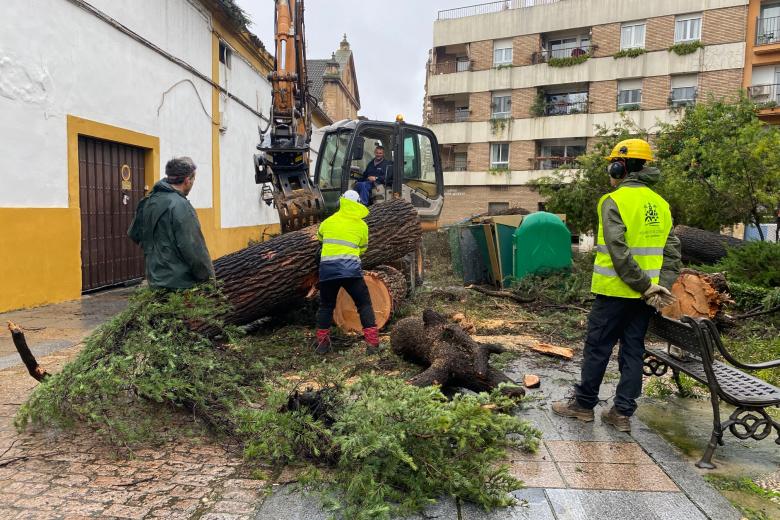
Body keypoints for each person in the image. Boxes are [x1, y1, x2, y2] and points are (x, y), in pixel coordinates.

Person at [552, 139, 681, 432]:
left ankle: (584, 406)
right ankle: (622, 413)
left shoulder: (613, 201)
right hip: (645, 298)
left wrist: (645, 285)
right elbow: (673, 251)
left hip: (614, 293)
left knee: (598, 348)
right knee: (633, 350)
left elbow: (618, 251)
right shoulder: (661, 204)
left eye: (612, 166)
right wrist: (659, 288)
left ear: (619, 166)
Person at [128, 157, 214, 290]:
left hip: (154, 280)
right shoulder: (181, 206)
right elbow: (194, 250)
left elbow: (134, 234)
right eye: (193, 180)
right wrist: (210, 281)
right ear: (187, 180)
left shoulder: (148, 201)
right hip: (180, 285)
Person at [314, 190, 379, 355]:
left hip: (327, 271)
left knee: (326, 306)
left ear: (341, 202)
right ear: (358, 204)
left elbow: (321, 240)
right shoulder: (362, 226)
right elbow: (363, 248)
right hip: (351, 271)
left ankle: (322, 345)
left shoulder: (327, 222)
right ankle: (372, 345)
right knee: (364, 304)